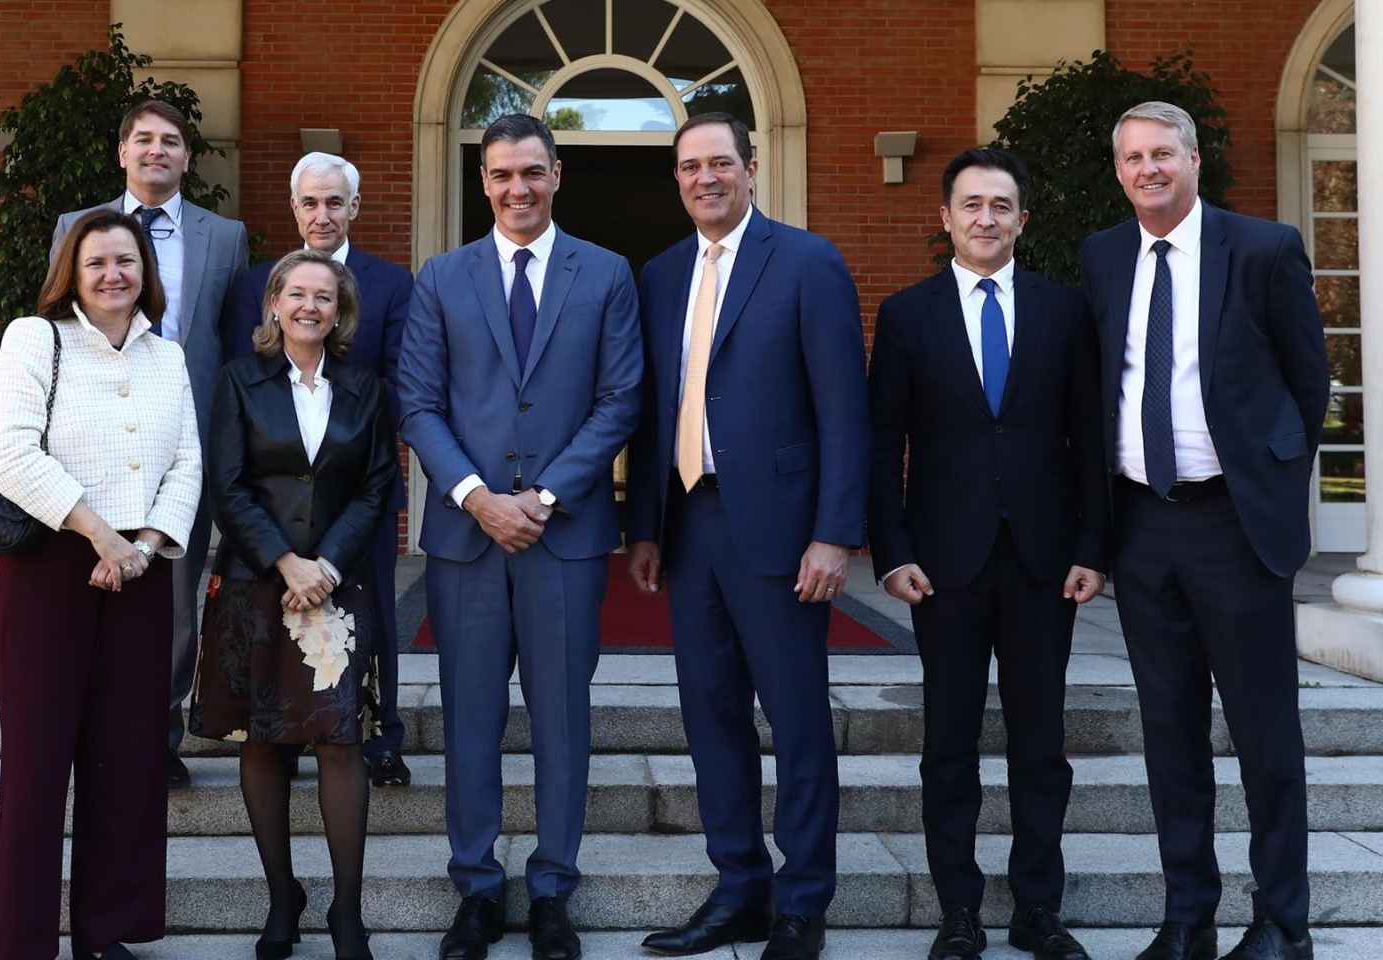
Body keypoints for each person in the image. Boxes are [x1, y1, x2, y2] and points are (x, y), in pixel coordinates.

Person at [1079, 101, 1329, 960]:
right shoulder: (1104, 256)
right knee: (1169, 734)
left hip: (1233, 524)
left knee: (1264, 736)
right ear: (1118, 170)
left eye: (1162, 153)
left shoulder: (1262, 249)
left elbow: (1309, 384)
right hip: (1143, 526)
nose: (1147, 168)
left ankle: (1282, 924)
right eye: (1132, 157)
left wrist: (1271, 486)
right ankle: (1187, 919)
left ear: (1193, 159)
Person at [397, 112, 642, 960]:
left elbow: (620, 400)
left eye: (531, 172)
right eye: (501, 175)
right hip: (467, 539)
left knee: (562, 719)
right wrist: (476, 497)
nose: (516, 189)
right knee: (469, 716)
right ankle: (476, 887)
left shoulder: (606, 273)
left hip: (564, 537)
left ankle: (551, 890)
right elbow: (418, 403)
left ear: (558, 173)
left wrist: (539, 496)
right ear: (483, 180)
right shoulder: (443, 276)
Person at [626, 112, 869, 960]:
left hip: (781, 530)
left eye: (720, 163)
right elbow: (656, 411)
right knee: (711, 716)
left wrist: (836, 533)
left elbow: (845, 407)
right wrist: (644, 526)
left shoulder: (808, 261)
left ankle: (802, 901)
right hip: (689, 527)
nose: (705, 179)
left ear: (752, 168)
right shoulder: (658, 275)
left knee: (797, 721)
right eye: (690, 167)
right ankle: (739, 889)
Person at [868, 148, 1107, 960]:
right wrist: (890, 550)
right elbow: (883, 443)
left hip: (1045, 563)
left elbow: (1091, 441)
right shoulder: (907, 316)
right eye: (970, 205)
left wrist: (1092, 548)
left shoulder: (1066, 313)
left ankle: (1038, 911)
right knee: (949, 747)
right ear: (944, 218)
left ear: (1022, 220)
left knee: (1042, 747)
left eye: (1001, 205)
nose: (985, 218)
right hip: (944, 566)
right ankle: (958, 914)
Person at [0, 209, 202, 960]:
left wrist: (140, 546)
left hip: (136, 579)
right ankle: (19, 943)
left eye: (128, 261)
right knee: (38, 767)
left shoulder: (166, 357)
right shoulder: (34, 338)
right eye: (98, 262)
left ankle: (107, 934)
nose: (115, 274)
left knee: (127, 763)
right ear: (71, 273)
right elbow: (6, 453)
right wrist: (99, 534)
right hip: (48, 575)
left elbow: (187, 464)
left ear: (148, 271)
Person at [192, 249, 394, 960]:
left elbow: (376, 486)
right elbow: (228, 483)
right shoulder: (238, 382)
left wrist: (326, 566)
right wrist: (286, 562)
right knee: (266, 739)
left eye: (326, 297)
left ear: (341, 313)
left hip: (337, 589)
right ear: (274, 303)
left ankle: (347, 910)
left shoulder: (364, 386)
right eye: (298, 293)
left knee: (340, 739)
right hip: (256, 584)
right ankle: (283, 896)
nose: (311, 306)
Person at [52, 98, 251, 788]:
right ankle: (85, 732)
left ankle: (156, 737)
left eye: (170, 141)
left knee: (173, 596)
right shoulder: (75, 230)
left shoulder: (225, 238)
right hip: (92, 447)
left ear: (187, 157)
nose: (156, 151)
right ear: (122, 151)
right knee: (87, 588)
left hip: (182, 447)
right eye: (143, 139)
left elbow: (232, 349)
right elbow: (56, 329)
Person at [222, 152, 415, 787]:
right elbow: (241, 385)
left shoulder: (391, 284)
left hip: (356, 488)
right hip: (272, 499)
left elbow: (397, 385)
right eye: (311, 201)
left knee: (376, 613)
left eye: (335, 202)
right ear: (294, 207)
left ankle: (379, 733)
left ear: (354, 208)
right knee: (272, 616)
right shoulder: (253, 285)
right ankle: (284, 726)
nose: (322, 213)